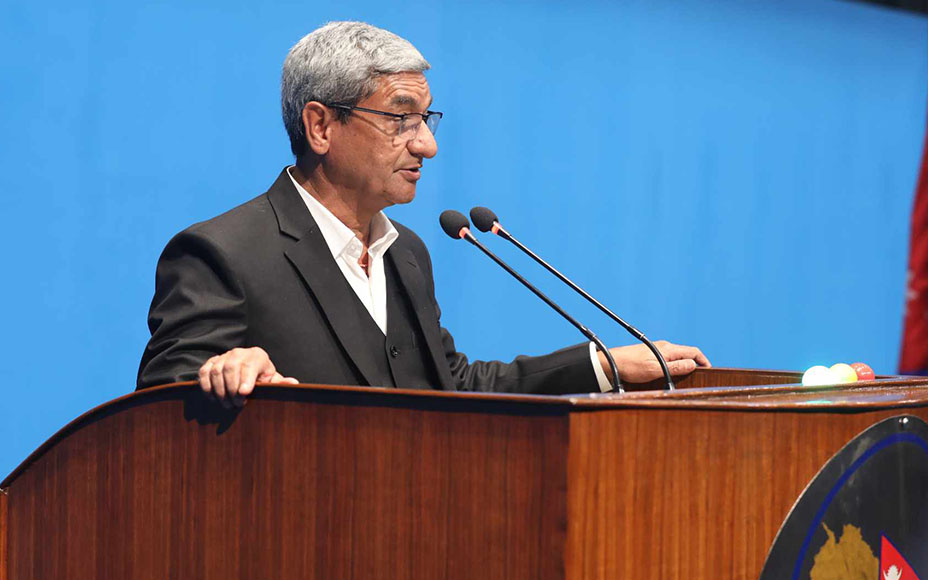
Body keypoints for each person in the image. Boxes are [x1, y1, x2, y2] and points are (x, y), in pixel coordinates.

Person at [136, 21, 709, 406]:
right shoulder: (223, 253)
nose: (426, 145)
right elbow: (161, 411)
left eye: (426, 119)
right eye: (400, 118)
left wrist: (604, 366)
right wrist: (227, 376)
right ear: (320, 126)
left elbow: (448, 385)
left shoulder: (405, 252)